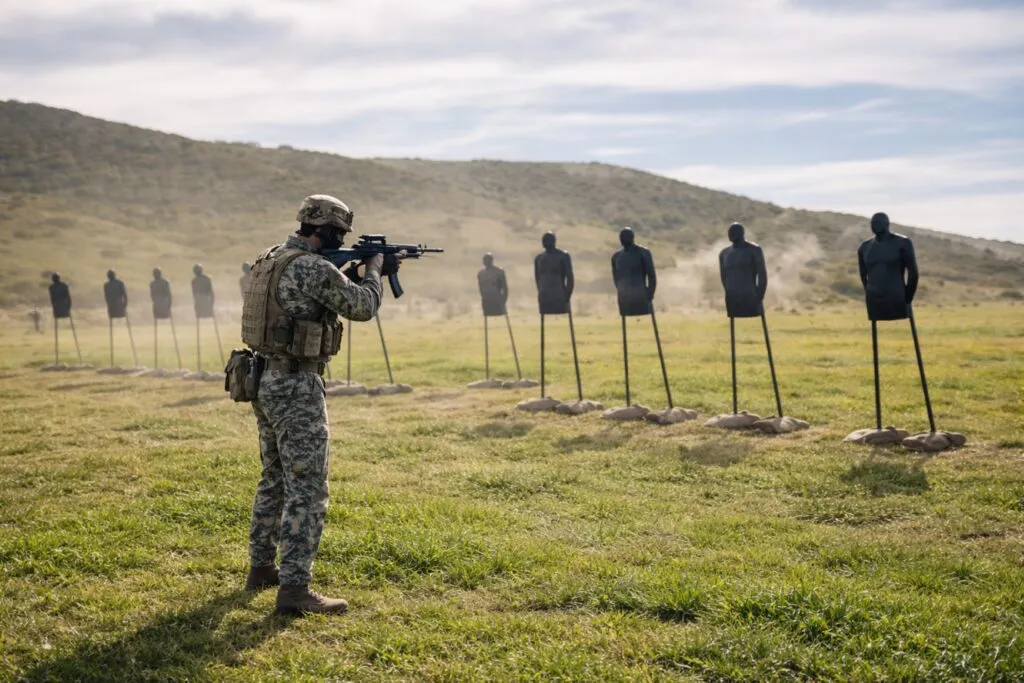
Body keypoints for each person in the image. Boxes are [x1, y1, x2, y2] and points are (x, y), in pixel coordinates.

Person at [241, 194, 389, 616]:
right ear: (325, 230)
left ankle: (261, 567)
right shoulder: (312, 267)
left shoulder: (272, 257)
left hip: (263, 378)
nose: (341, 239)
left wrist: (349, 271)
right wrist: (374, 270)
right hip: (296, 385)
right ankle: (294, 589)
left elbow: (305, 300)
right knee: (307, 487)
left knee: (274, 477)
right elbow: (362, 306)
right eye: (339, 233)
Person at [718, 222, 767, 318]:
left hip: (750, 295)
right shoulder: (724, 253)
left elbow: (762, 275)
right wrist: (729, 293)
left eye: (733, 232)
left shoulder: (754, 250)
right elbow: (723, 277)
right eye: (729, 232)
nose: (730, 234)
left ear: (741, 233)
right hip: (733, 298)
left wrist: (759, 296)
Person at [611, 227, 656, 316]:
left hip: (640, 296)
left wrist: (650, 294)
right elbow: (616, 279)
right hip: (625, 299)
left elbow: (651, 276)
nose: (623, 240)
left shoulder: (643, 253)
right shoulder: (616, 257)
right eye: (622, 237)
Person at [534, 232, 574, 314]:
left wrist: (567, 296)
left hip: (557, 296)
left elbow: (570, 279)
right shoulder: (539, 258)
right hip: (546, 296)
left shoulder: (562, 256)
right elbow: (537, 279)